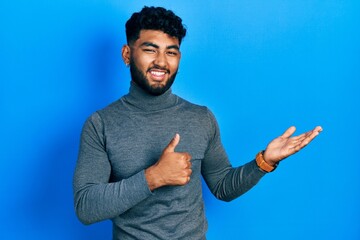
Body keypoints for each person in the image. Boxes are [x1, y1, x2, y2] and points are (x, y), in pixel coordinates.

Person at [73, 6, 322, 240]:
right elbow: (86, 207)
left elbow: (223, 187)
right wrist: (153, 177)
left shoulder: (200, 118)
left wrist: (265, 161)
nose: (161, 61)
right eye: (150, 49)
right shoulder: (100, 124)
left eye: (171, 51)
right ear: (127, 54)